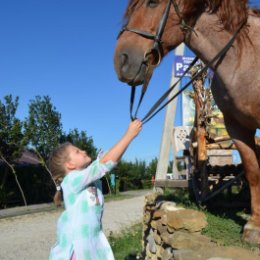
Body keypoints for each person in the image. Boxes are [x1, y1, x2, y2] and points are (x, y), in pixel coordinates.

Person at [48, 119, 142, 260]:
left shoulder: (87, 178)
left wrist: (129, 138)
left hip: (89, 247)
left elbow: (109, 161)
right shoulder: (72, 180)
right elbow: (103, 165)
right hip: (77, 250)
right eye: (78, 151)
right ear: (70, 164)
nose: (83, 150)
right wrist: (129, 135)